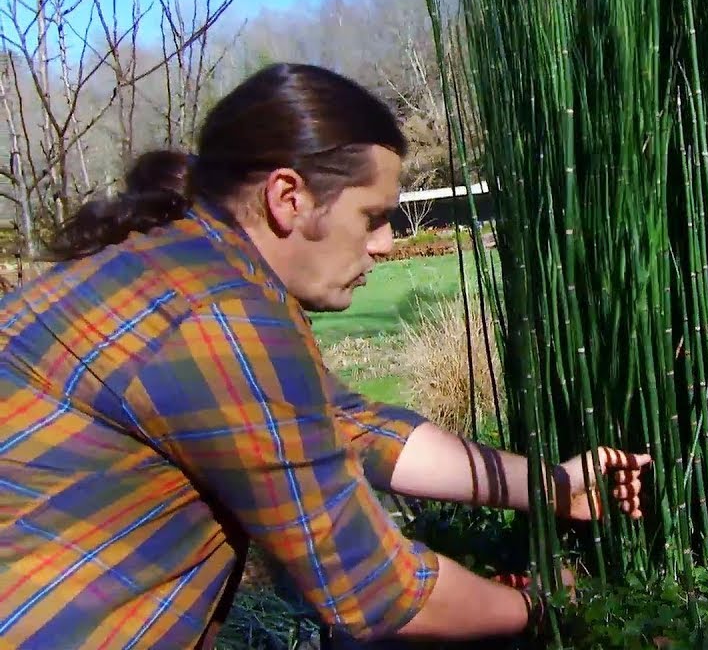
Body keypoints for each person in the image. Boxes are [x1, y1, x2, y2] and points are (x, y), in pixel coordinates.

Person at [0, 62, 652, 649]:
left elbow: (348, 424)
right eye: (372, 216)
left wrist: (550, 486)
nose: (386, 244)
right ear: (290, 198)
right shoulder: (217, 314)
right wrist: (545, 609)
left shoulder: (177, 269)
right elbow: (378, 591)